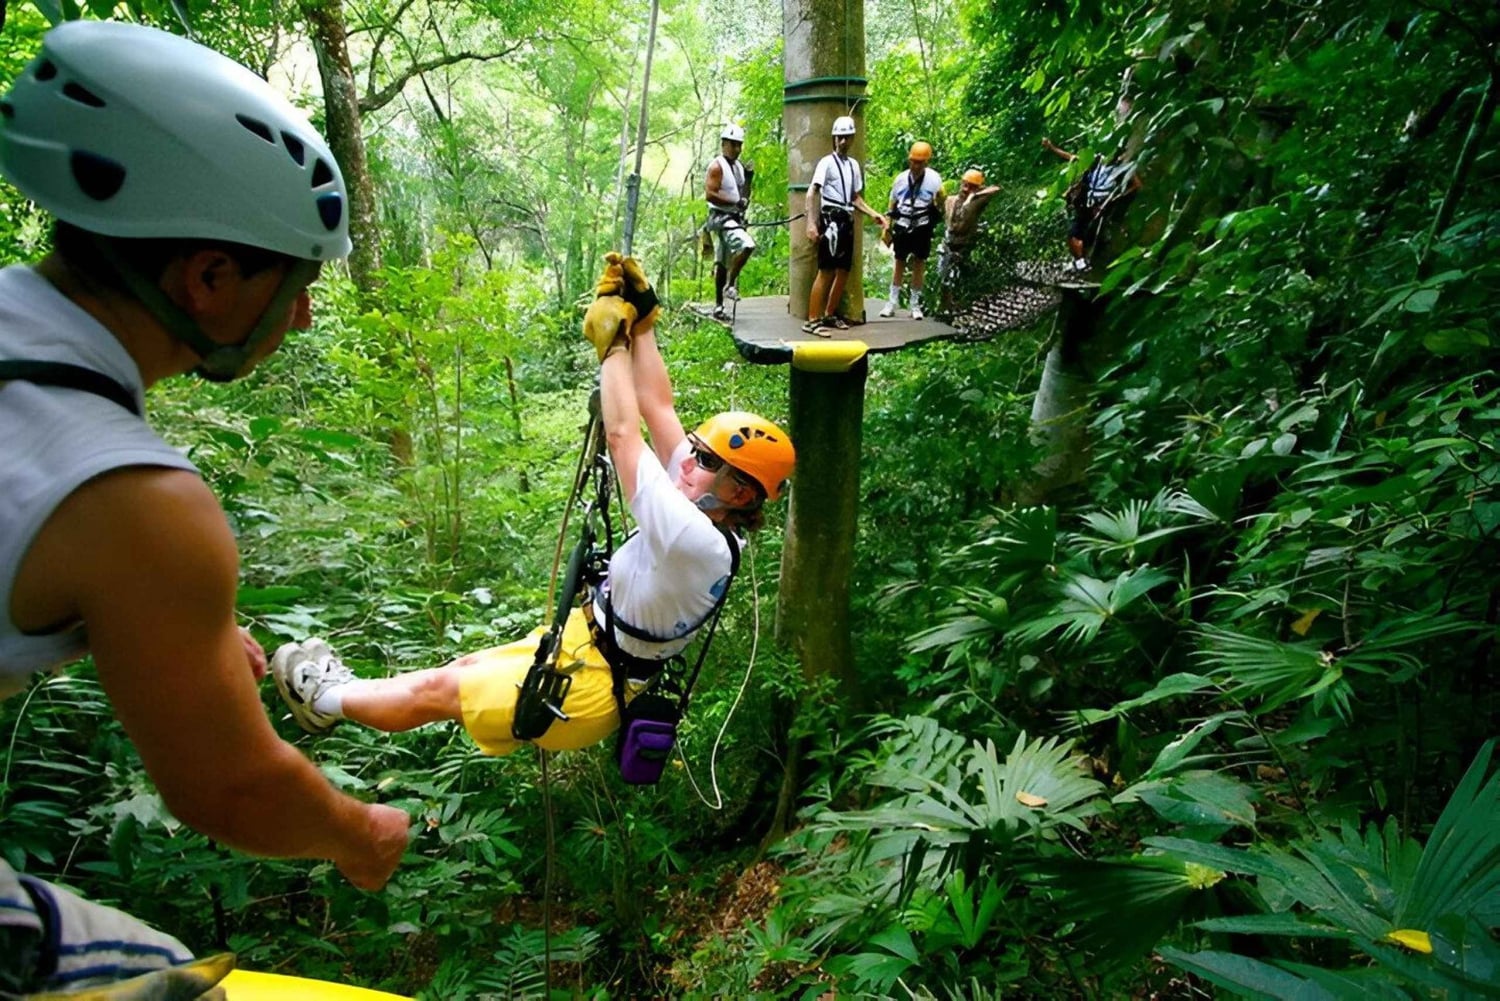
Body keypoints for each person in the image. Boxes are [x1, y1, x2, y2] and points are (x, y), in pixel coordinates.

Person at [0, 21, 410, 994]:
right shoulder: (139, 499)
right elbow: (231, 788)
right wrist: (360, 830)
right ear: (210, 277)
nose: (305, 314)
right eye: (298, 281)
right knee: (187, 985)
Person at [270, 254, 795, 763]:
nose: (686, 461)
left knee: (442, 690)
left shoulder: (695, 538)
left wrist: (613, 346)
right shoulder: (703, 503)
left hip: (591, 685)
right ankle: (345, 691)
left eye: (704, 459)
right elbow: (657, 406)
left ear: (739, 494)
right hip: (587, 642)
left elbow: (622, 434)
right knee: (467, 666)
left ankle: (324, 702)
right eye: (698, 450)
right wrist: (645, 320)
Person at [802, 116, 887, 336]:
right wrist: (811, 222)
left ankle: (830, 314)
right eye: (839, 137)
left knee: (843, 271)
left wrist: (873, 214)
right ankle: (812, 320)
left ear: (851, 139)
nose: (842, 141)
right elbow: (813, 191)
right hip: (831, 217)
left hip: (847, 217)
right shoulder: (826, 163)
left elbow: (855, 197)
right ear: (834, 138)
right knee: (826, 270)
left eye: (846, 137)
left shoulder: (853, 166)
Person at [1042, 137, 1141, 271]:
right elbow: (1073, 158)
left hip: (1102, 205)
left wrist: (1116, 199)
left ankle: (1083, 263)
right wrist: (1052, 148)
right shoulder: (1097, 161)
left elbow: (1136, 184)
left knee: (1081, 234)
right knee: (1077, 233)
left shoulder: (1122, 167)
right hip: (1086, 203)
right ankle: (1081, 262)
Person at [879, 141, 944, 321]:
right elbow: (892, 204)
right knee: (899, 261)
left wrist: (939, 205)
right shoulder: (901, 179)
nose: (916, 166)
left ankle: (915, 304)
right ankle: (892, 301)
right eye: (913, 161)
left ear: (926, 163)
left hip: (922, 224)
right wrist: (887, 228)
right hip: (903, 222)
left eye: (920, 162)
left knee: (919, 263)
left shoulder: (934, 179)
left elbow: (940, 202)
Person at [703, 123, 756, 321]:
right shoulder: (717, 166)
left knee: (723, 262)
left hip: (734, 218)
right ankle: (730, 285)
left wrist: (749, 179)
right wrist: (735, 202)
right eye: (733, 145)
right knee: (747, 245)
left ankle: (718, 305)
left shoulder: (738, 168)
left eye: (739, 145)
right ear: (724, 144)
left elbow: (743, 197)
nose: (736, 149)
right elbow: (710, 194)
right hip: (721, 219)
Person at [936, 168, 1001, 312]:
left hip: (965, 246)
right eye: (965, 184)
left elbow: (995, 189)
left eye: (970, 186)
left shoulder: (977, 202)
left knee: (963, 278)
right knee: (944, 277)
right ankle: (944, 306)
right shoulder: (952, 201)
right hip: (949, 243)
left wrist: (973, 195)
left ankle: (962, 304)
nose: (966, 189)